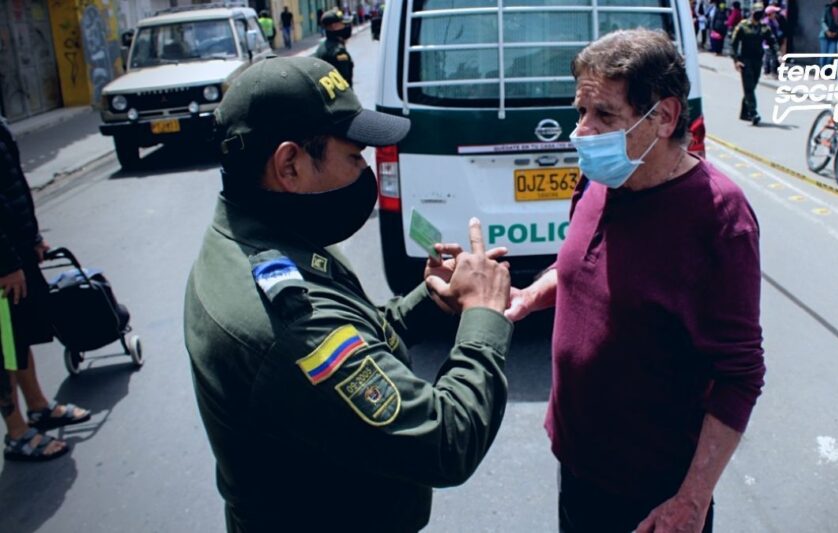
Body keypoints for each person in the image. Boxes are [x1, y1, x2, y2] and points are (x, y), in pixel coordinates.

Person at [184, 56, 514, 532]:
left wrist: (429, 300)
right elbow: (447, 442)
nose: (366, 171)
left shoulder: (264, 236)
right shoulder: (287, 321)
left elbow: (357, 333)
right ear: (290, 164)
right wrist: (484, 317)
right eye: (355, 156)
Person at [505, 28, 765, 533]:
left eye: (604, 115)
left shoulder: (720, 218)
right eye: (580, 112)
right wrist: (529, 296)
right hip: (578, 467)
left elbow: (740, 375)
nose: (581, 131)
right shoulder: (601, 179)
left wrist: (691, 501)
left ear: (665, 117)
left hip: (651, 499)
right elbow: (580, 267)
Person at [0, 116, 92, 462]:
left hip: (16, 250)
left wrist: (32, 237)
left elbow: (11, 184)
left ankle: (37, 407)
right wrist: (6, 263)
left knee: (19, 336)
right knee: (5, 343)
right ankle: (17, 433)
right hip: (4, 262)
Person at [731, 3, 777, 125]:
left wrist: (778, 55)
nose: (758, 14)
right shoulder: (743, 26)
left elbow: (772, 41)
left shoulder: (764, 27)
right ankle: (753, 113)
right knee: (749, 87)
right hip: (745, 60)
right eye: (756, 11)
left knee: (752, 86)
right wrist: (736, 60)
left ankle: (744, 112)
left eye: (760, 12)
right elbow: (733, 44)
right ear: (752, 12)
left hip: (758, 60)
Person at [315, 9, 355, 84]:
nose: (347, 27)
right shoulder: (338, 52)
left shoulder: (322, 47)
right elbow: (344, 84)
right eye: (343, 24)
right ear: (334, 26)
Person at [819, 0, 838, 65]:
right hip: (824, 35)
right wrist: (827, 31)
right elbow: (823, 21)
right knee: (823, 55)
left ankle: (827, 72)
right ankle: (821, 71)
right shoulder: (827, 9)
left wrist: (836, 33)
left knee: (830, 56)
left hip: (835, 36)